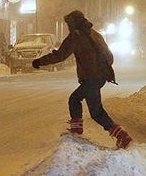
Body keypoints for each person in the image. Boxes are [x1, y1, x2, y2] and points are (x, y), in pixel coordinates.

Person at [32, 10, 133, 149]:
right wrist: (100, 68)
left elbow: (60, 55)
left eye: (69, 23)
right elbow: (110, 56)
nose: (68, 26)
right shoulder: (95, 34)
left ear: (74, 23)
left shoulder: (76, 36)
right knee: (77, 100)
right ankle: (78, 130)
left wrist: (39, 62)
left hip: (91, 78)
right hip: (100, 76)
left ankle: (122, 136)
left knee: (94, 111)